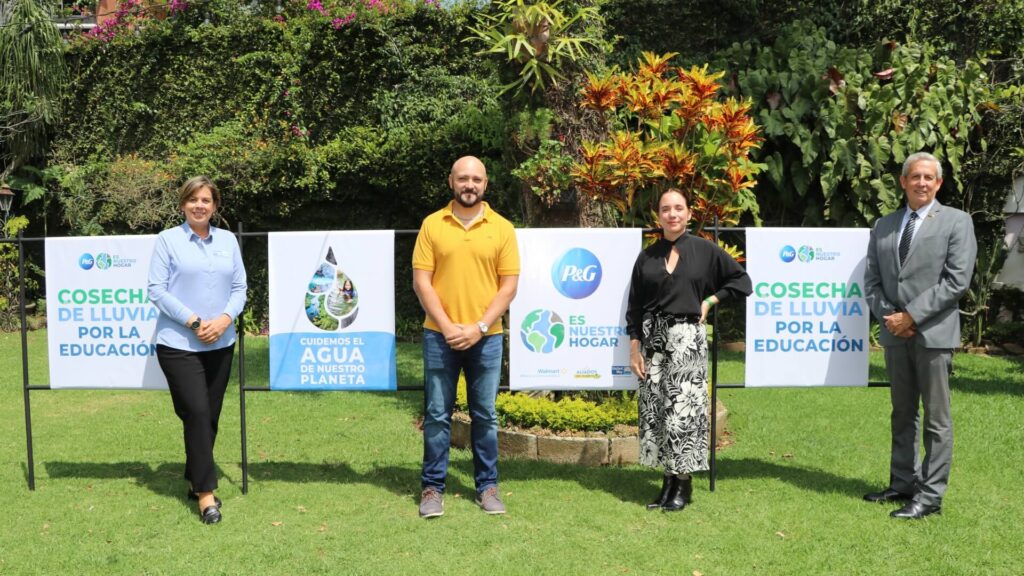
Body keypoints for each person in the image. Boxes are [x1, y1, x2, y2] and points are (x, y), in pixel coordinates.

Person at [863, 152, 976, 520]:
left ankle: (931, 495)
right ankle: (902, 483)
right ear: (903, 182)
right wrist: (892, 318)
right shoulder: (884, 225)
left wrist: (911, 316)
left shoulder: (957, 222)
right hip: (896, 335)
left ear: (939, 183)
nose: (922, 183)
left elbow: (956, 280)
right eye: (915, 177)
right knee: (903, 413)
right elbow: (872, 281)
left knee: (936, 419)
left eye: (929, 177)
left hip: (933, 334)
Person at [626, 188, 751, 512]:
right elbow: (635, 306)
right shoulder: (647, 257)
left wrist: (709, 301)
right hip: (653, 340)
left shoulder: (705, 251)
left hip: (686, 338)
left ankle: (683, 483)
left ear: (689, 213)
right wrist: (634, 348)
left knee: (683, 412)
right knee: (657, 411)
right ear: (658, 216)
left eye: (678, 208)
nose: (672, 214)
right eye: (665, 209)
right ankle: (667, 481)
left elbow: (742, 281)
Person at [411, 156, 519, 518]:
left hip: (486, 338)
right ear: (451, 182)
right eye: (462, 179)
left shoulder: (502, 228)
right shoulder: (431, 225)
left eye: (476, 179)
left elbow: (508, 287)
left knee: (485, 415)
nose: (469, 185)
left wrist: (479, 328)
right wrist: (447, 326)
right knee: (438, 415)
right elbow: (422, 281)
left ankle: (488, 487)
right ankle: (432, 488)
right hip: (439, 336)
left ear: (485, 184)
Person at [148, 176, 247, 525]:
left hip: (221, 341)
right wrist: (193, 321)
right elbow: (156, 290)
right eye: (193, 200)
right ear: (182, 205)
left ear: (215, 206)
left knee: (208, 416)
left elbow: (240, 288)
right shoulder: (167, 241)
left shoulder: (228, 241)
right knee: (198, 412)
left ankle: (194, 474)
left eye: (206, 200)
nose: (199, 205)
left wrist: (222, 320)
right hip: (178, 344)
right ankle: (206, 495)